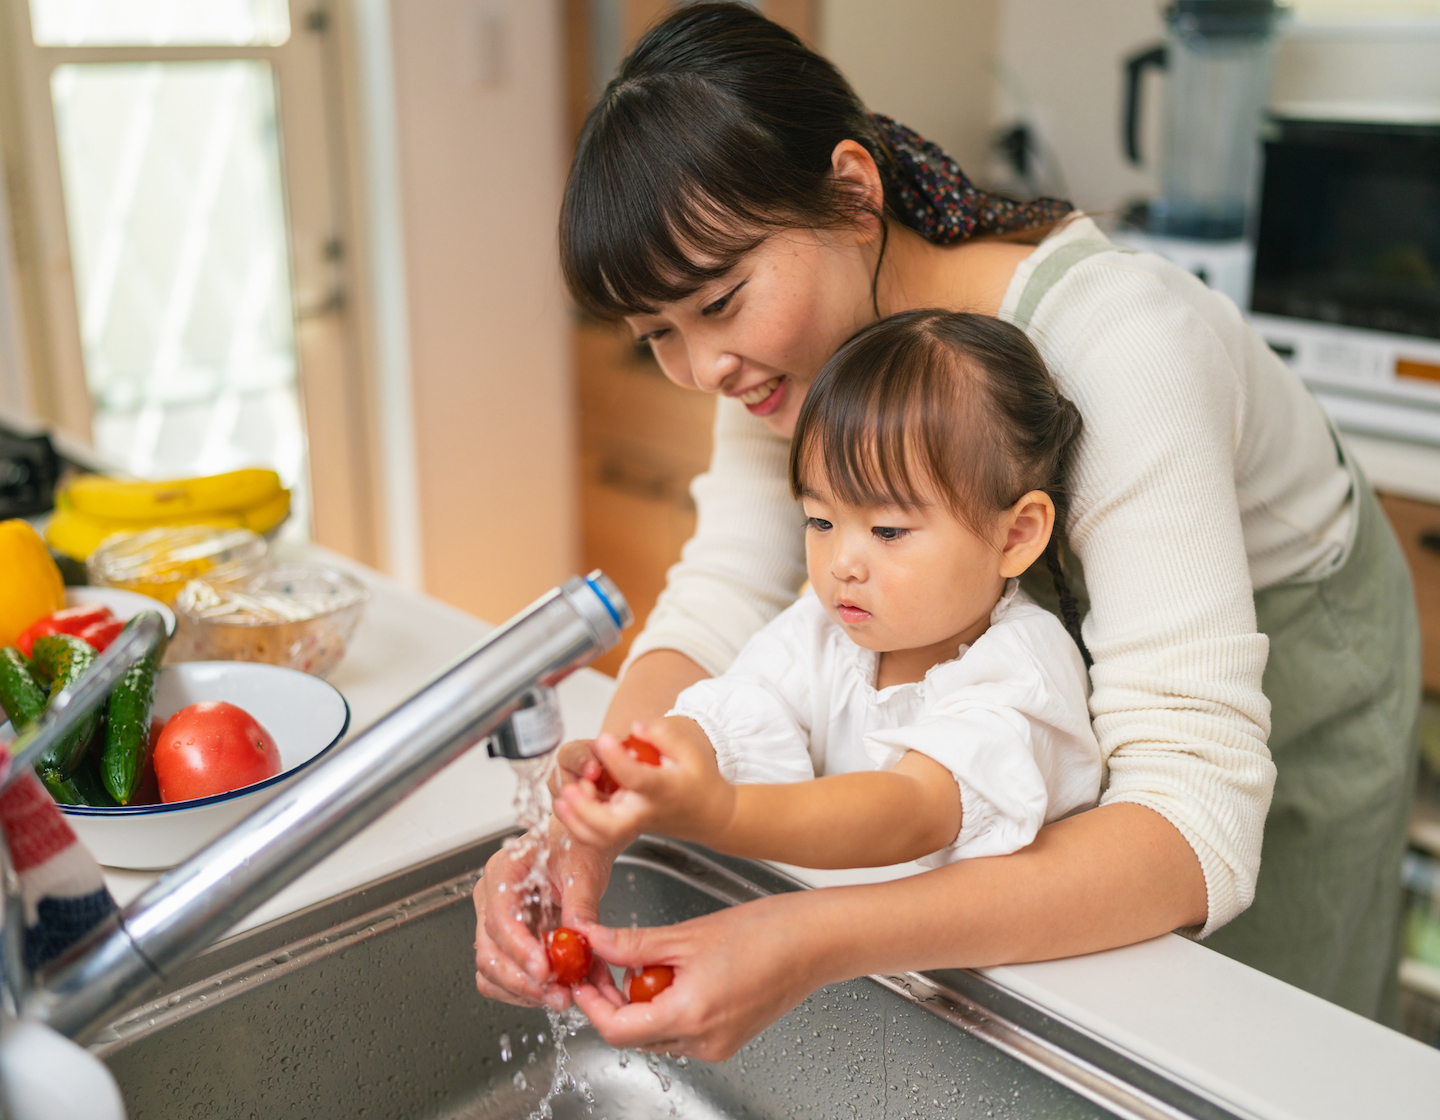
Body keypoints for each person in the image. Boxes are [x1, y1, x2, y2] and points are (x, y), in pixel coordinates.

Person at [473, 3, 1420, 1054]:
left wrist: (810, 936)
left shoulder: (1120, 352)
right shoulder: (793, 359)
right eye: (659, 334)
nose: (702, 368)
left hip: (1294, 650)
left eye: (724, 300)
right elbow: (722, 594)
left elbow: (1193, 822)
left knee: (1263, 1041)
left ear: (853, 191)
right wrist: (589, 824)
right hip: (1061, 651)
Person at [554, 310, 1102, 871]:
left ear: (1016, 534)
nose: (841, 563)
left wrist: (725, 813)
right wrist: (648, 761)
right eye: (819, 521)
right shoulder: (824, 631)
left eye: (888, 531)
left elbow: (911, 809)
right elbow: (736, 711)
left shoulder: (1023, 673)